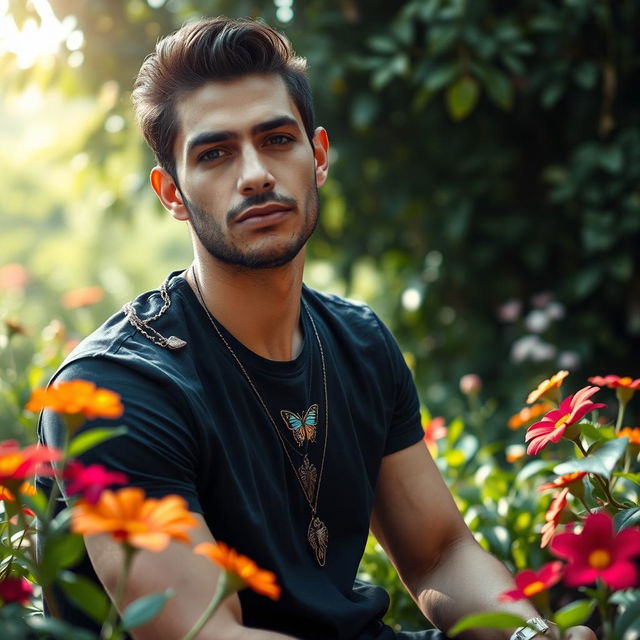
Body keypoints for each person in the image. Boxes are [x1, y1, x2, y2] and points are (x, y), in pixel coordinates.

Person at [38, 16, 596, 640]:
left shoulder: (358, 342)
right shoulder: (115, 388)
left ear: (319, 157)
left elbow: (439, 553)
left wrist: (529, 634)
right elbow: (206, 635)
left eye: (277, 139)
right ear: (171, 192)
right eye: (215, 152)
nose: (254, 174)